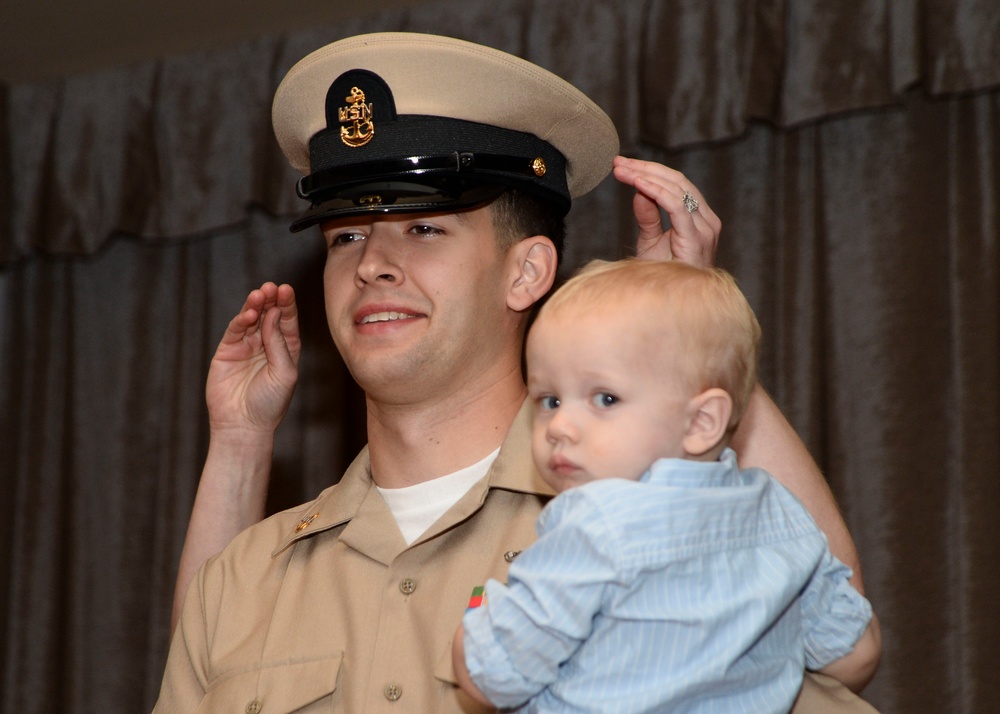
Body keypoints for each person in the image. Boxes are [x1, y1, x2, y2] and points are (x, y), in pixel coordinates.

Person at [156, 32, 879, 713]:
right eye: (346, 235)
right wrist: (240, 441)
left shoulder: (654, 522)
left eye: (424, 227)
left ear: (527, 271)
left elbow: (842, 652)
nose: (370, 263)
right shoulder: (247, 574)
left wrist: (685, 337)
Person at [451, 259, 881, 712]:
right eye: (549, 399)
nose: (560, 425)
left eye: (605, 399)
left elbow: (493, 676)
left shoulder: (596, 525)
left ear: (701, 422)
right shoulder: (779, 514)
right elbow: (855, 655)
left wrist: (473, 627)